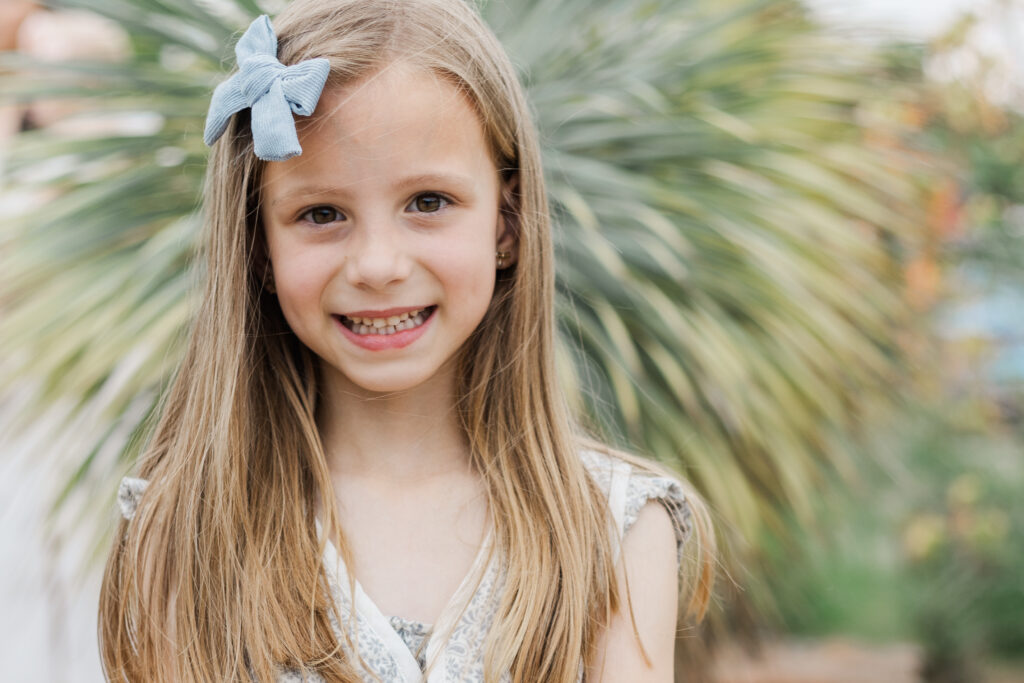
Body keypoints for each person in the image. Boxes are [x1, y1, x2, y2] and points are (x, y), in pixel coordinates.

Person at [99, 1, 716, 681]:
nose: (378, 264)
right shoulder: (185, 532)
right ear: (259, 248)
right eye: (322, 213)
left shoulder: (615, 531)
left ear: (506, 222)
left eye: (427, 202)